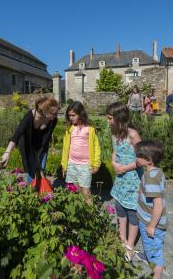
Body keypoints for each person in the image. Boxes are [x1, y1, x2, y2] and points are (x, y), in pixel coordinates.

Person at [106, 102, 142, 261]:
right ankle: (122, 240)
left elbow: (143, 159)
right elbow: (114, 153)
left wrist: (125, 168)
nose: (108, 121)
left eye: (110, 118)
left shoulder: (132, 134)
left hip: (133, 180)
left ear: (119, 118)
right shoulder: (115, 134)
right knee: (120, 208)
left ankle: (130, 245)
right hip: (121, 180)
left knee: (132, 212)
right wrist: (114, 164)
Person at [0, 97, 59, 183]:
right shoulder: (29, 116)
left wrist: (38, 155)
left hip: (42, 146)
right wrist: (7, 153)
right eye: (54, 113)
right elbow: (17, 135)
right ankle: (32, 191)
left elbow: (46, 138)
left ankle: (40, 193)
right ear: (45, 112)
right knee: (32, 170)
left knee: (41, 169)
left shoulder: (53, 120)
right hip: (28, 145)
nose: (56, 115)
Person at [135, 140, 168, 279]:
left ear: (148, 159)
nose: (136, 158)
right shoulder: (157, 172)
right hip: (149, 219)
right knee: (152, 247)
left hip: (151, 222)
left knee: (155, 253)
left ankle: (157, 273)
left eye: (138, 156)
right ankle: (150, 255)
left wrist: (151, 226)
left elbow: (158, 205)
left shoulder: (151, 178)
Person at [61, 101, 101, 202]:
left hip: (85, 165)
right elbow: (66, 148)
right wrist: (64, 165)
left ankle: (90, 214)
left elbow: (96, 147)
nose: (71, 118)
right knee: (73, 190)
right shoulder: (70, 128)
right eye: (69, 115)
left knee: (85, 190)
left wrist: (96, 164)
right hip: (72, 163)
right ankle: (77, 213)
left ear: (81, 114)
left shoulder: (89, 129)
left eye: (73, 115)